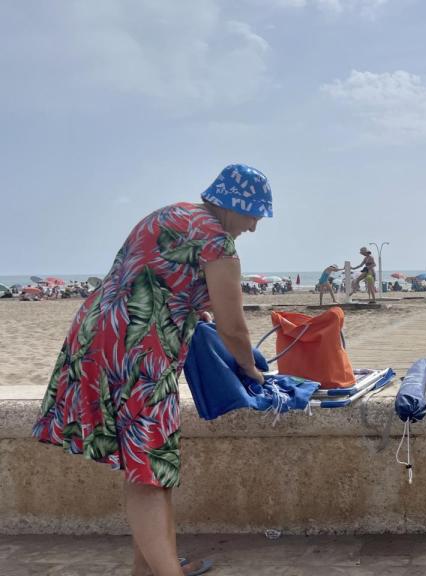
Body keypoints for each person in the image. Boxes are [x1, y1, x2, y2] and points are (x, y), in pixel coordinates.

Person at [33, 164, 273, 576]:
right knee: (149, 468)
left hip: (94, 336)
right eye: (253, 215)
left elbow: (152, 278)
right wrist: (250, 368)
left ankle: (147, 568)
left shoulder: (165, 215)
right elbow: (233, 326)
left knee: (145, 464)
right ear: (235, 205)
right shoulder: (218, 243)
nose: (252, 227)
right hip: (141, 351)